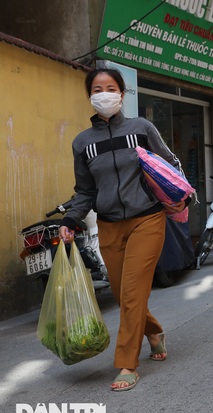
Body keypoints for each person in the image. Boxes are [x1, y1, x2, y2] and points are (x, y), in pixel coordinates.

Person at [58, 68, 186, 391]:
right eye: (98, 88)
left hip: (148, 219)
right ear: (90, 95)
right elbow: (84, 190)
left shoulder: (141, 129)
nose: (104, 93)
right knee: (123, 294)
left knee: (131, 293)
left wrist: (181, 197)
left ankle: (127, 363)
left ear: (122, 94)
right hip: (109, 224)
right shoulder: (82, 144)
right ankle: (154, 330)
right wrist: (70, 220)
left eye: (110, 87)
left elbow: (169, 163)